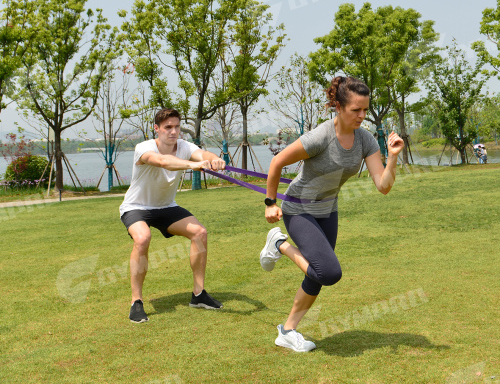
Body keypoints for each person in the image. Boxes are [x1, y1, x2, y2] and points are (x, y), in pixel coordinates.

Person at [259, 76, 404, 352]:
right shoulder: (320, 137)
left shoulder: (365, 140)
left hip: (327, 210)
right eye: (356, 110)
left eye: (365, 110)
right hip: (298, 209)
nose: (362, 116)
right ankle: (279, 243)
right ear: (338, 106)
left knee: (316, 275)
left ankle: (287, 331)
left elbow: (383, 186)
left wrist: (393, 156)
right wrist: (270, 203)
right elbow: (276, 162)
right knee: (328, 272)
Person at [119, 108, 226, 323]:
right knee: (142, 238)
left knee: (199, 232)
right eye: (168, 127)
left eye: (177, 126)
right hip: (136, 206)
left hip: (166, 206)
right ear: (157, 129)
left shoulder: (185, 147)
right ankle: (136, 301)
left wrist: (214, 159)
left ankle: (198, 294)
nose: (173, 131)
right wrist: (193, 165)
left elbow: (203, 155)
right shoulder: (144, 148)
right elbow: (161, 161)